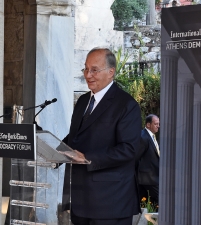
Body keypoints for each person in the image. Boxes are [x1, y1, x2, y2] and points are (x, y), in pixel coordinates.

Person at [62, 47, 142, 225]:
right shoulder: (83, 101)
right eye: (86, 69)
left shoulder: (127, 105)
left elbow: (129, 149)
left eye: (94, 70)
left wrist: (87, 158)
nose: (88, 75)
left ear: (111, 72)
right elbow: (76, 137)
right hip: (81, 200)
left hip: (111, 202)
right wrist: (54, 149)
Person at [137, 114, 160, 205]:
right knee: (160, 200)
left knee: (145, 203)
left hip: (151, 177)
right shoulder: (143, 137)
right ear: (148, 125)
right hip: (147, 178)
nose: (158, 126)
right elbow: (136, 157)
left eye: (158, 124)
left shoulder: (151, 136)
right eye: (156, 124)